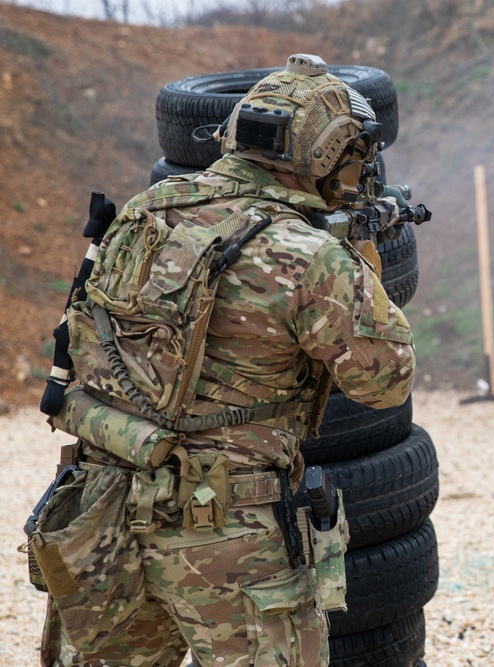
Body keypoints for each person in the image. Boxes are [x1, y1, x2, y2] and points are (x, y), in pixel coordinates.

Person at [36, 54, 415, 666]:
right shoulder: (306, 254)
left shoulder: (144, 212)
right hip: (231, 533)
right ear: (328, 153)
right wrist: (362, 258)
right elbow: (384, 382)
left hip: (103, 513)